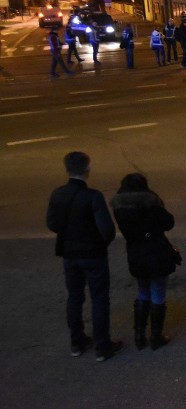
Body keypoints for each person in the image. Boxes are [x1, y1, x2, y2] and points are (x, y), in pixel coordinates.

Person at [46, 152, 123, 362]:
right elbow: (107, 230)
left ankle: (77, 342)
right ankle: (102, 346)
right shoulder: (93, 196)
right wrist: (97, 243)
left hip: (69, 254)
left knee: (74, 297)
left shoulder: (58, 194)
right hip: (93, 255)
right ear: (87, 169)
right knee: (99, 298)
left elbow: (52, 223)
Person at [110, 173, 177, 351]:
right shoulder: (151, 202)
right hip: (156, 250)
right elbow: (168, 222)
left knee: (142, 291)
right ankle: (156, 336)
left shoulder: (119, 206)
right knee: (158, 292)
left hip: (135, 251)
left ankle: (139, 336)